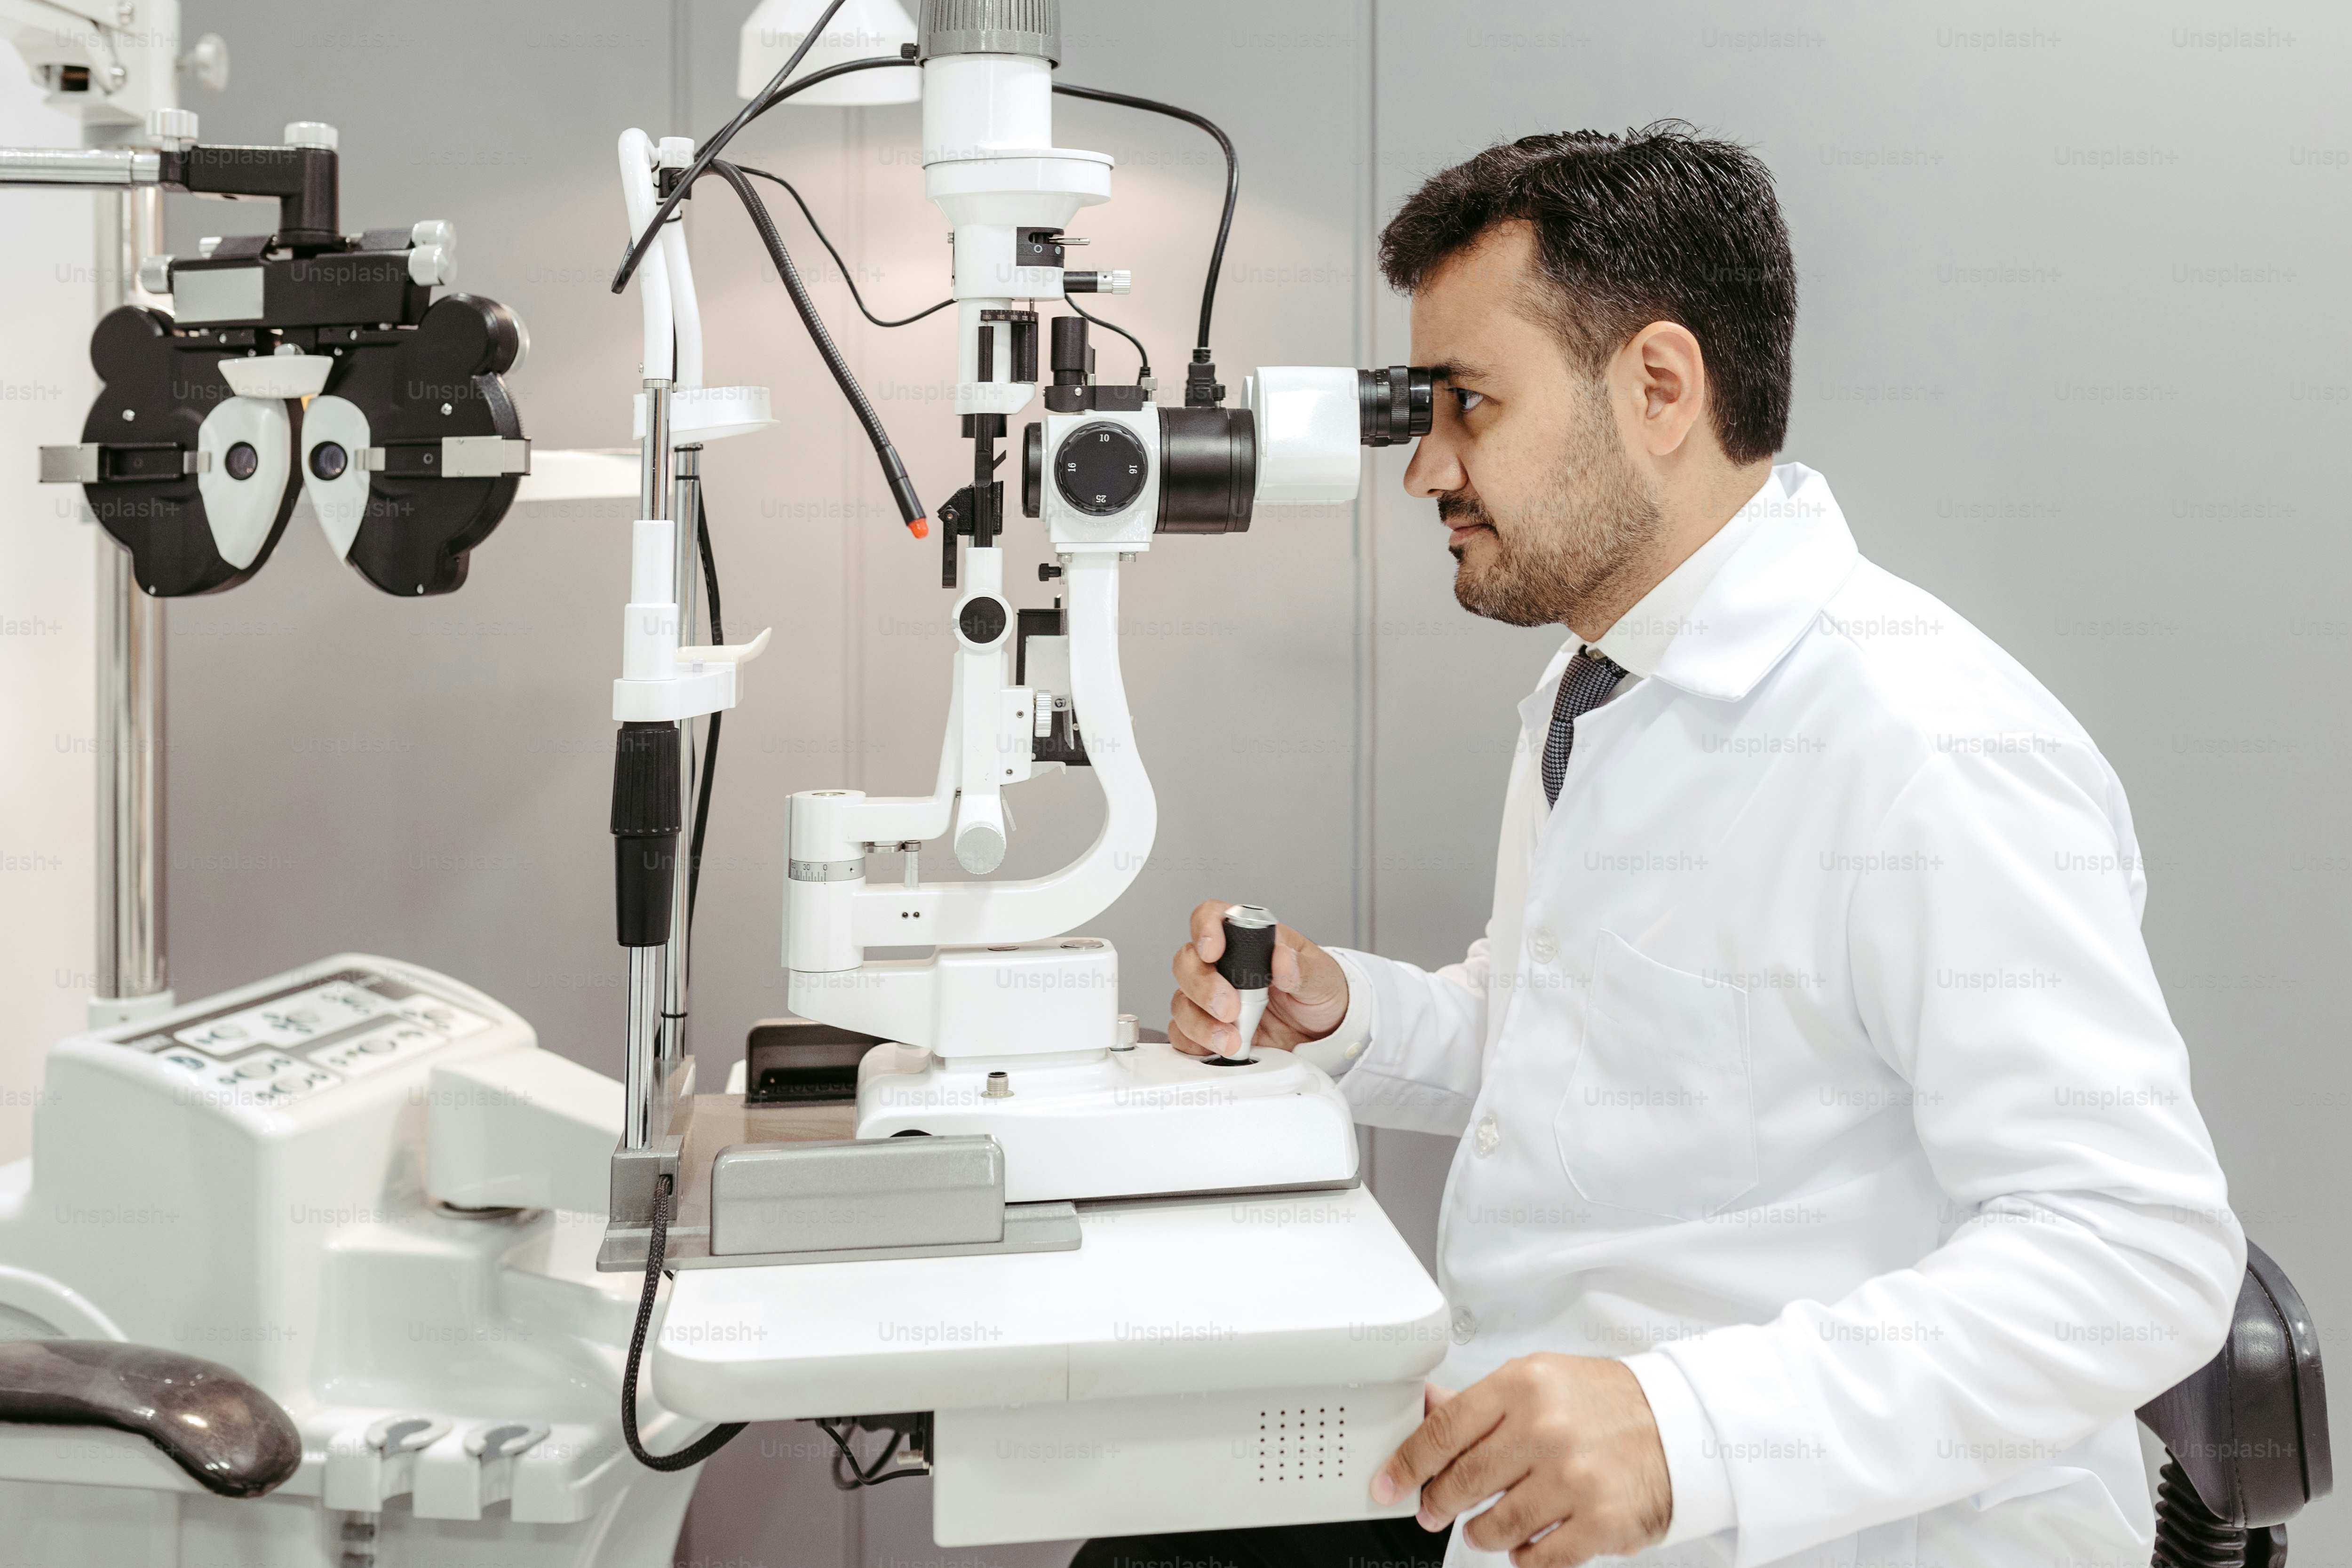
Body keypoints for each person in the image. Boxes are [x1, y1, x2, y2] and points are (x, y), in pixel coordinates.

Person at [1071, 124, 2241, 1568]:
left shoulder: (1927, 747)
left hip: (1829, 1529)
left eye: (1467, 405)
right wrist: (1353, 1014)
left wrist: (1687, 1430)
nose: (1423, 467)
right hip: (1553, 1486)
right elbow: (1582, 1034)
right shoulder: (1601, 680)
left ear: (1661, 387)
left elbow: (2139, 1255)